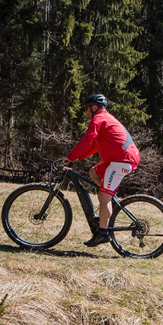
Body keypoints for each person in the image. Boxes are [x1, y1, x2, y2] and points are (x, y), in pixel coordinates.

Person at [61, 94, 141, 247]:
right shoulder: (104, 119)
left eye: (87, 108)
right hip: (121, 159)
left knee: (104, 198)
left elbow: (87, 139)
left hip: (121, 161)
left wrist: (71, 156)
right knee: (93, 172)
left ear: (94, 107)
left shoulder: (98, 119)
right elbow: (92, 146)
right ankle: (109, 201)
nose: (85, 112)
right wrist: (75, 157)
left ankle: (103, 233)